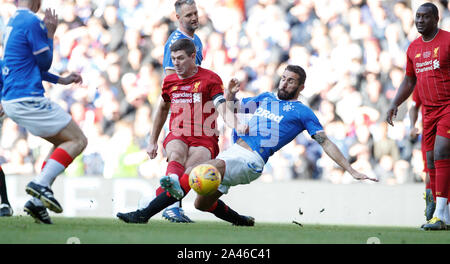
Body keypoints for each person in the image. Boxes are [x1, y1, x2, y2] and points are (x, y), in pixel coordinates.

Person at [117, 64, 377, 225]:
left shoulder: (302, 112)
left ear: (301, 86)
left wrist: (350, 169)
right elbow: (231, 108)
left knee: (198, 172)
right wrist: (229, 93)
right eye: (283, 78)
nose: (284, 83)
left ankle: (144, 213)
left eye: (291, 81)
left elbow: (326, 142)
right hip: (234, 153)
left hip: (251, 160)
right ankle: (240, 221)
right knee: (202, 204)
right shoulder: (265, 98)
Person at [140, 38, 244, 224]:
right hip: (178, 133)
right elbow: (162, 109)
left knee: (191, 175)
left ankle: (159, 198)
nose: (176, 63)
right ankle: (171, 201)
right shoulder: (169, 81)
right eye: (173, 59)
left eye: (180, 58)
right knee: (176, 152)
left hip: (205, 138)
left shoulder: (210, 78)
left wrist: (236, 125)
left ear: (192, 56)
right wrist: (152, 141)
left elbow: (221, 107)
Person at [1, 0, 87, 224]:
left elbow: (29, 65)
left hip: (13, 99)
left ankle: (37, 203)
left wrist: (61, 80)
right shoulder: (31, 21)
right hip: (27, 98)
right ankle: (40, 185)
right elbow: (45, 61)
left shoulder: (13, 21)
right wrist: (50, 33)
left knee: (62, 142)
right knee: (78, 140)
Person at [386, 2, 449, 231]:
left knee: (442, 151)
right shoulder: (413, 48)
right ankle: (440, 208)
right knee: (431, 159)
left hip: (448, 106)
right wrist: (394, 103)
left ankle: (441, 215)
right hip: (429, 112)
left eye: (425, 17)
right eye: (417, 17)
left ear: (436, 19)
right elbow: (409, 80)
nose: (420, 20)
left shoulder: (448, 41)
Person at [159, 0, 203, 222]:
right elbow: (170, 79)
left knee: (188, 161)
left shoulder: (197, 41)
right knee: (180, 157)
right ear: (178, 18)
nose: (194, 18)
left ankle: (161, 205)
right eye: (188, 15)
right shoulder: (175, 43)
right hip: (182, 109)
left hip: (195, 109)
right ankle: (171, 206)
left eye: (195, 13)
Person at [408, 88, 435, 222]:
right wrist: (412, 125)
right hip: (429, 133)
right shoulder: (422, 81)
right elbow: (414, 106)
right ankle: (432, 202)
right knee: (430, 170)